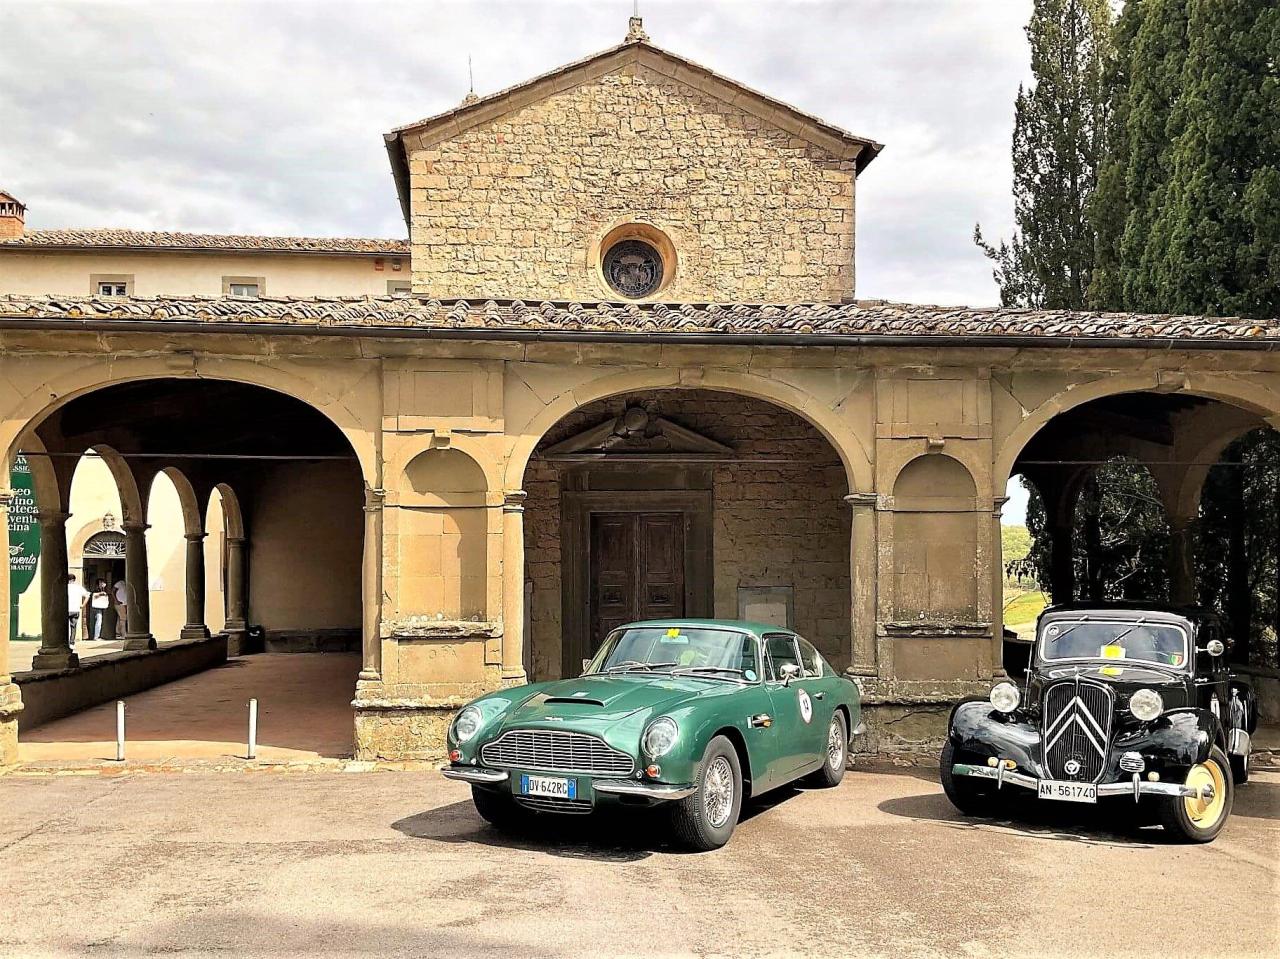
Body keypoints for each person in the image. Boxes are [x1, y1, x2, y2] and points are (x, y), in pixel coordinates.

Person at [67, 573, 88, 647]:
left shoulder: (64, 587)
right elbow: (87, 595)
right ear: (74, 580)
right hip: (75, 609)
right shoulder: (78, 587)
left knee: (65, 627)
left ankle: (65, 642)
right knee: (73, 626)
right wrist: (83, 605)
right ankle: (72, 643)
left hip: (66, 609)